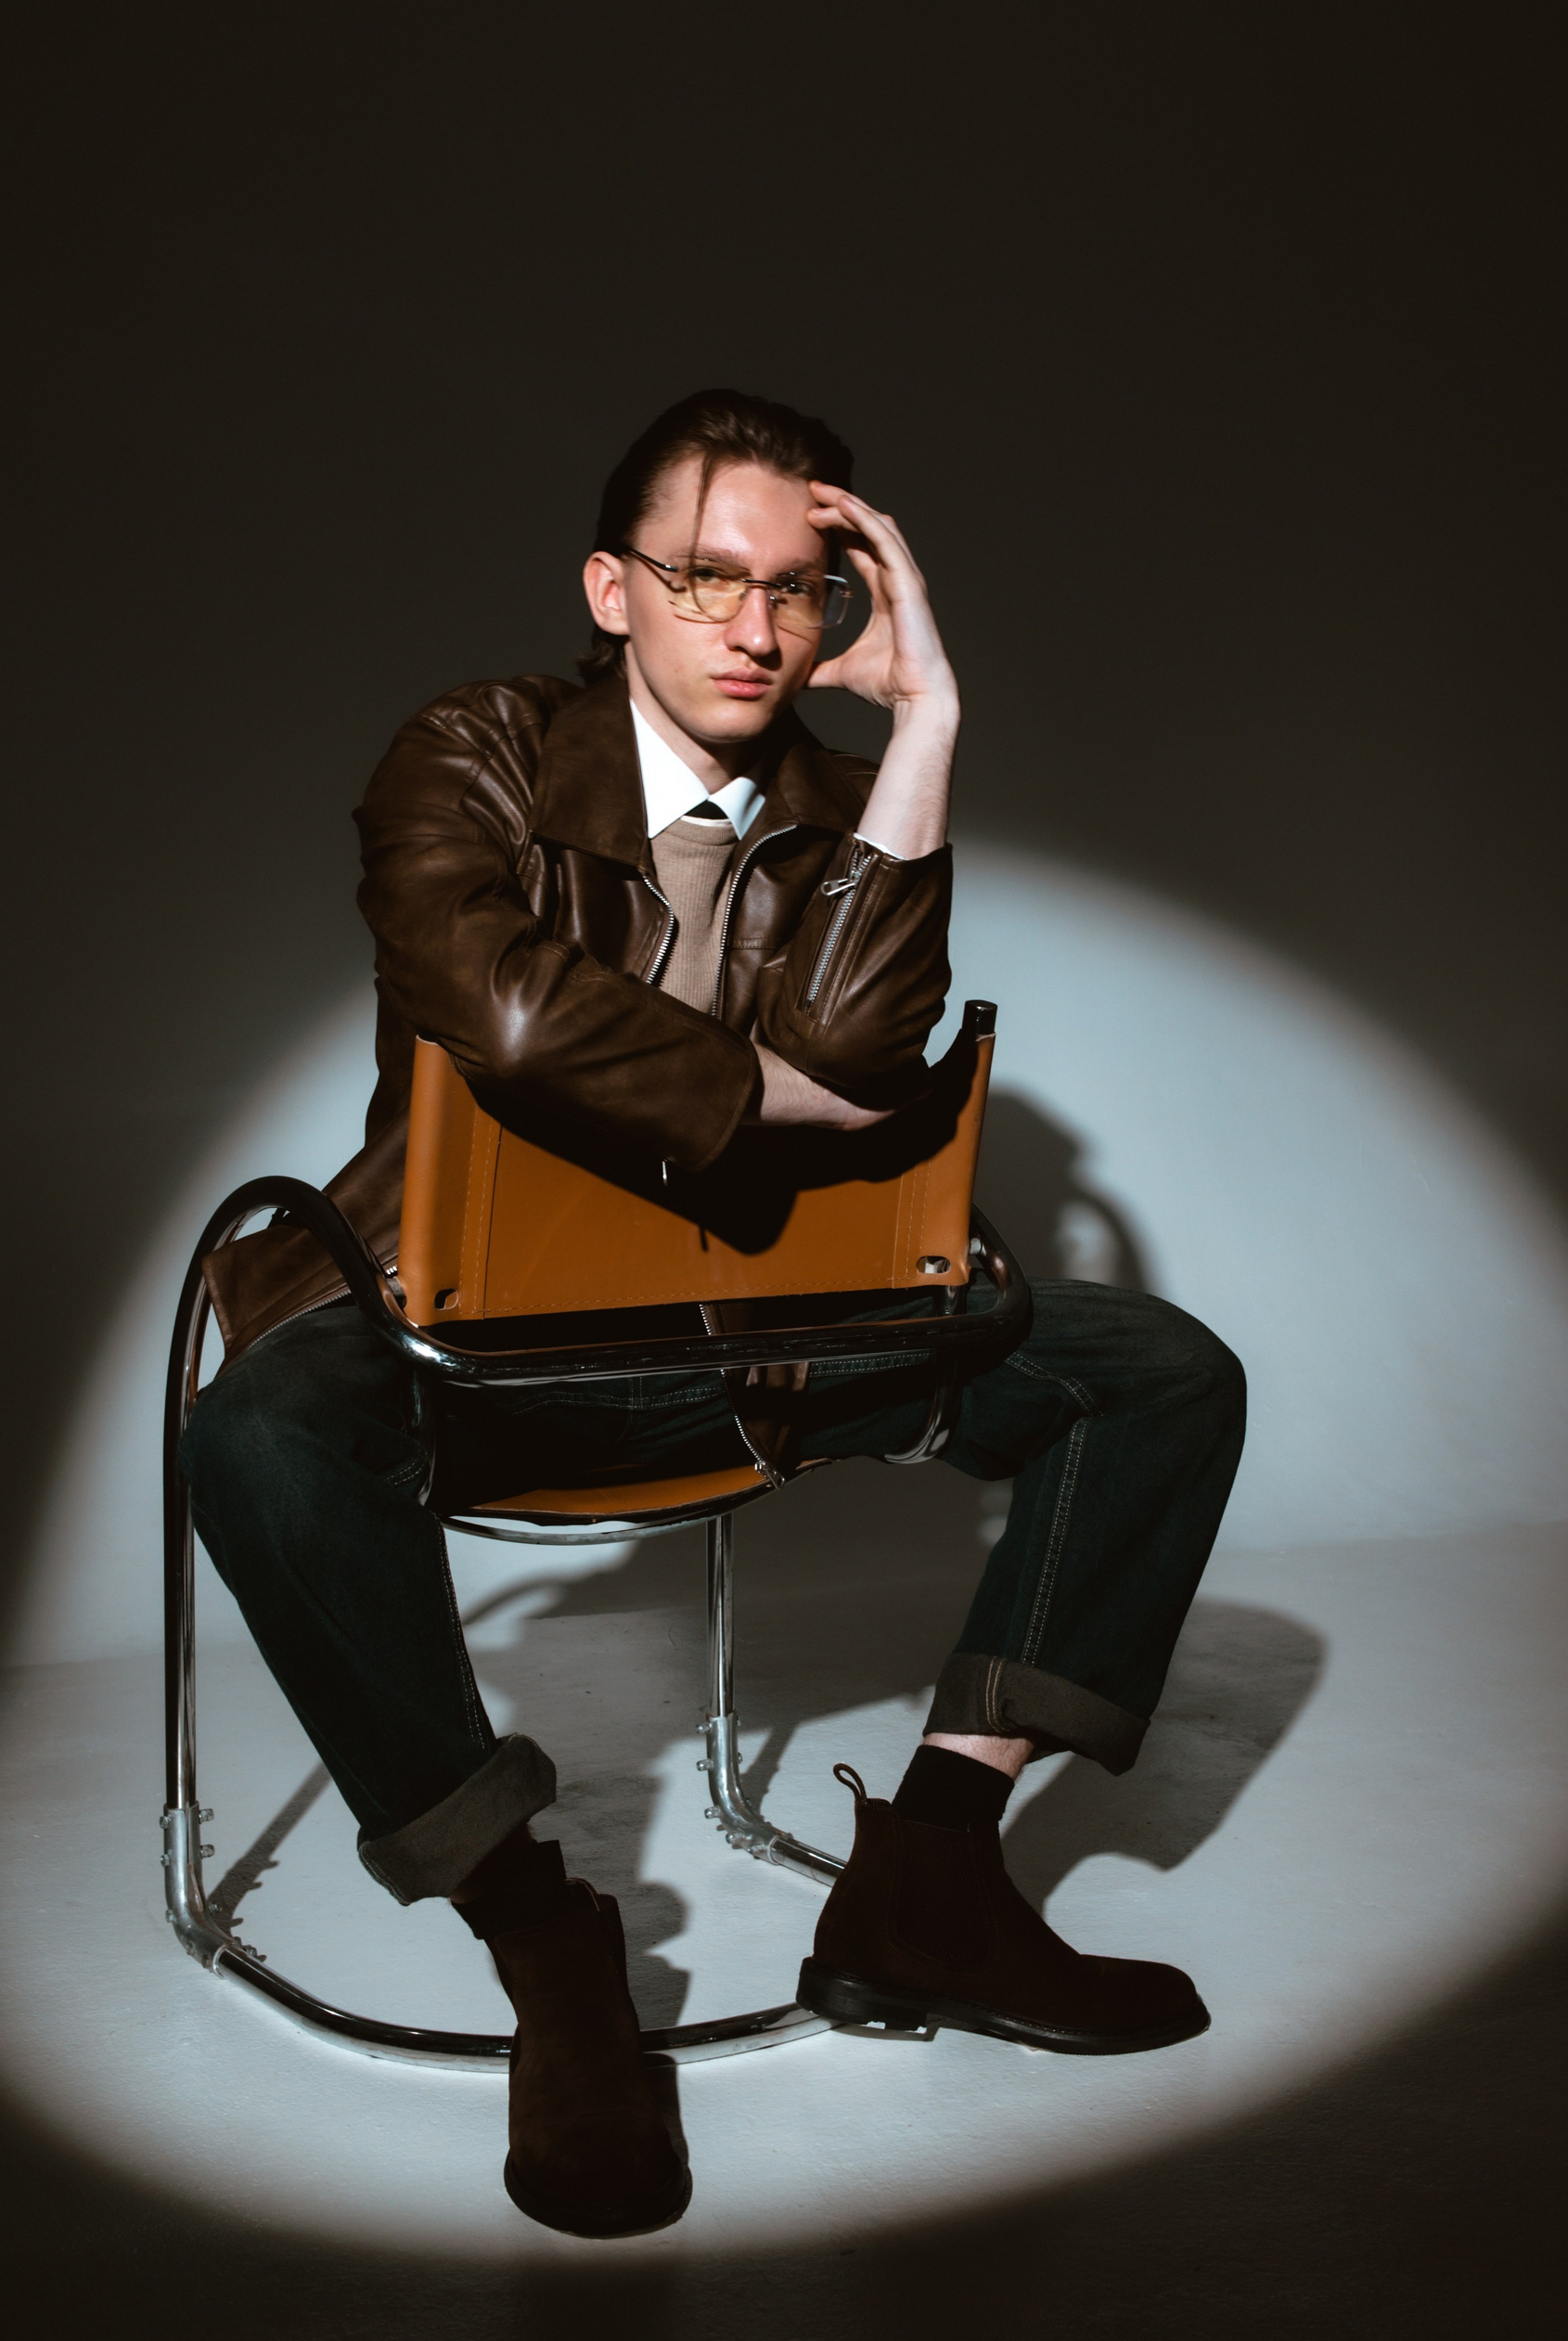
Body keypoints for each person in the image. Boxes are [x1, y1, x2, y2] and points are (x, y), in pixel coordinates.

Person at [182, 389, 1247, 2240]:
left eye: (800, 591)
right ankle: (549, 1941)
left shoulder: (845, 805)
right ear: (612, 589)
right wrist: (754, 1096)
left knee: (1157, 1371)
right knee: (259, 1434)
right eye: (705, 577)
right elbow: (484, 990)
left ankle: (930, 1875)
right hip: (475, 1339)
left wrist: (923, 728)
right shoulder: (477, 750)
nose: (757, 627)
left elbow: (862, 1050)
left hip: (754, 1339)